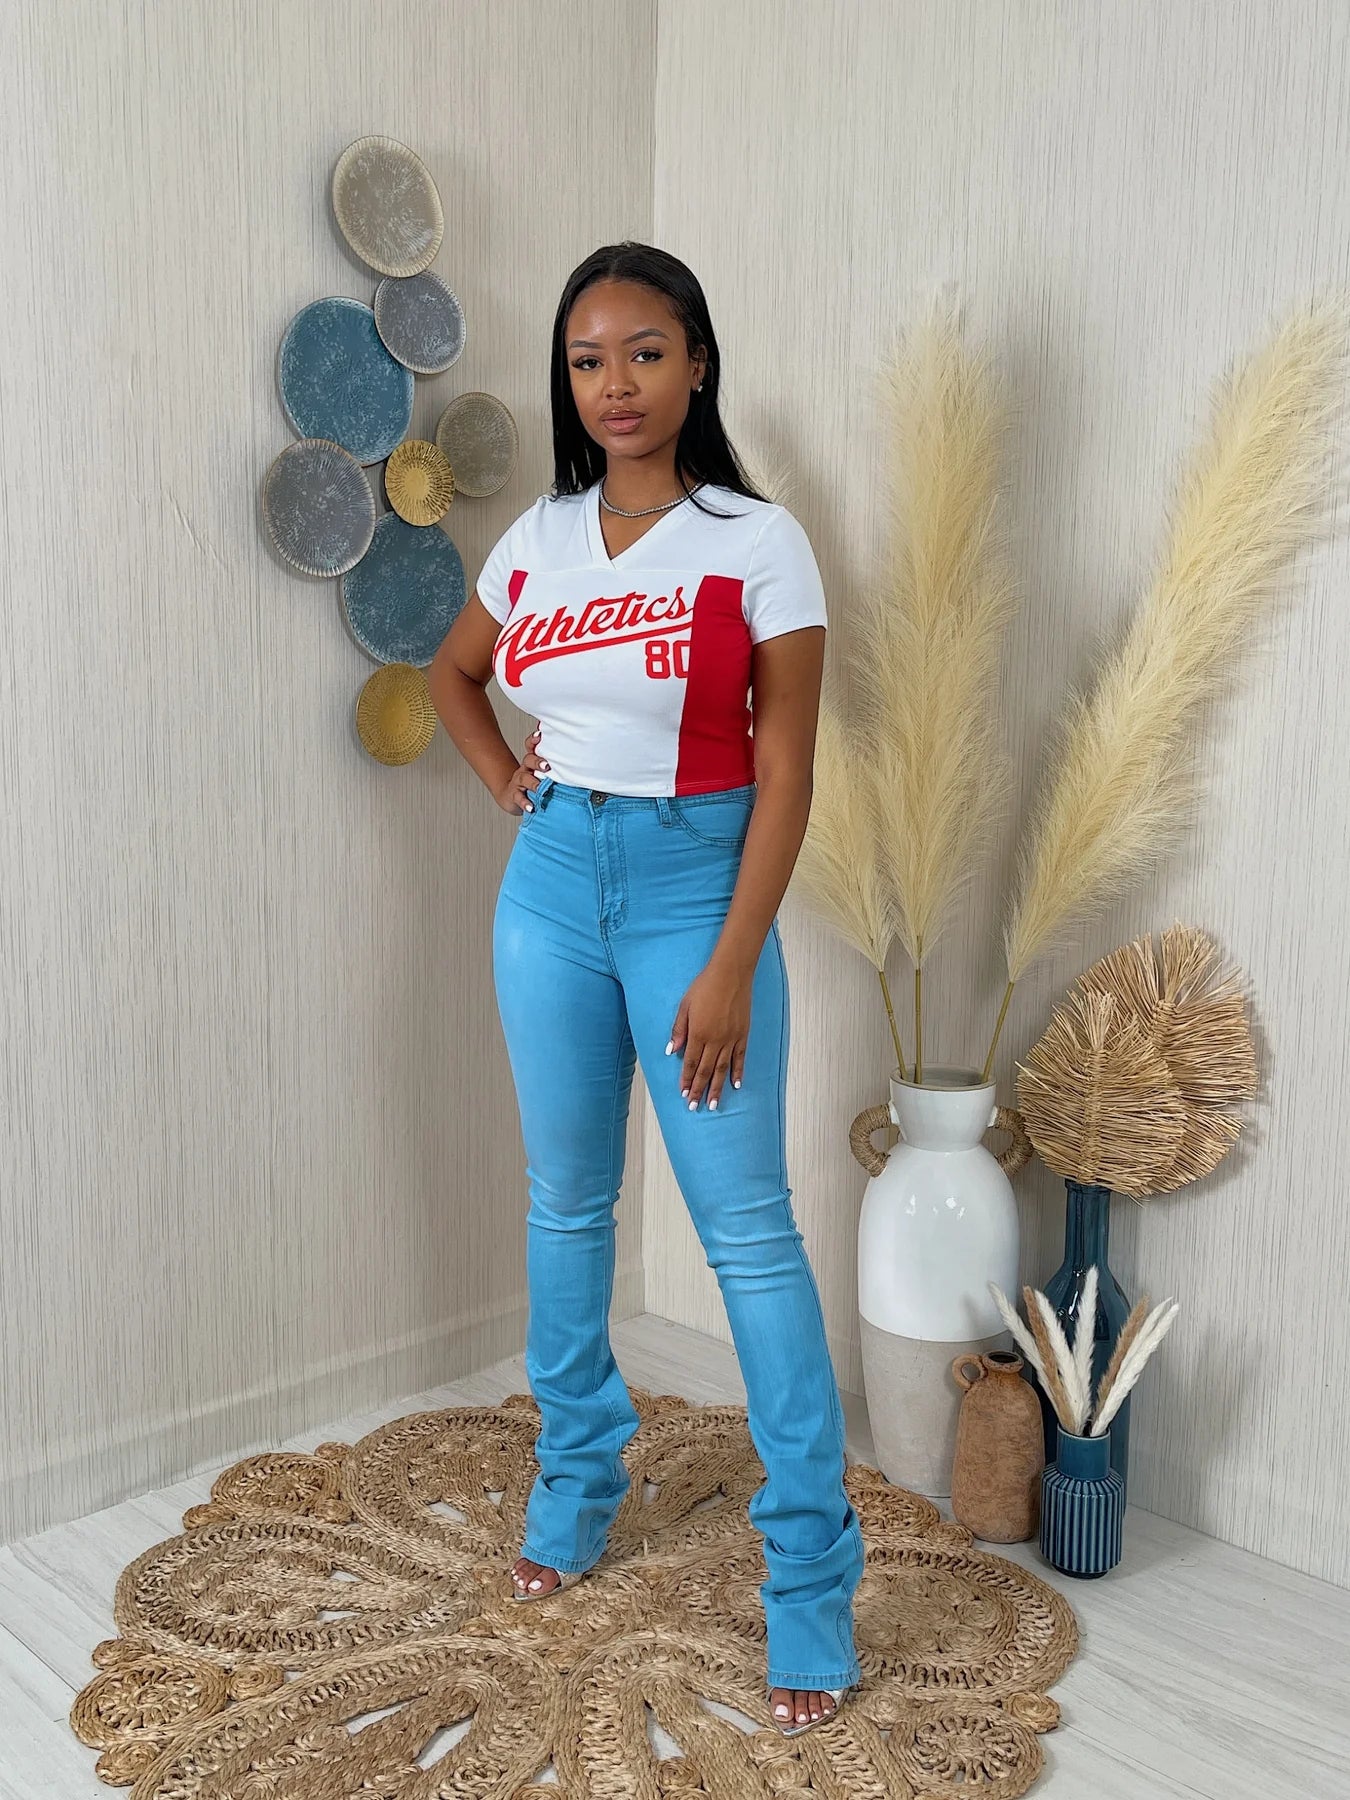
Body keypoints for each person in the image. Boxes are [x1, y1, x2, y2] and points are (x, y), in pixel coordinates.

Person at [427, 240, 864, 1738]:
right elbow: (453, 676)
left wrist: (734, 959)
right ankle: (576, 1481)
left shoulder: (756, 541)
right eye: (587, 358)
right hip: (551, 890)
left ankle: (808, 1580)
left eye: (645, 352)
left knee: (746, 1234)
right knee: (565, 1206)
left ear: (696, 364)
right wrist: (503, 783)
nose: (615, 384)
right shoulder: (537, 538)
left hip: (696, 889)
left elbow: (789, 765)